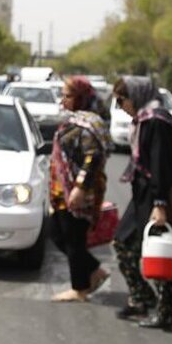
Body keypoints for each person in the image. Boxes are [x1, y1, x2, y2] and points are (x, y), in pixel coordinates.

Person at [113, 75, 172, 330]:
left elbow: (161, 166)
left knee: (158, 250)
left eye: (122, 100)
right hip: (142, 196)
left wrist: (160, 204)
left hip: (157, 198)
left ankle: (168, 311)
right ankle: (141, 297)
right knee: (122, 243)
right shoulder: (143, 119)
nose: (121, 106)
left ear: (136, 96)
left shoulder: (157, 122)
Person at [50, 76, 111, 303]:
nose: (63, 100)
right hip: (62, 192)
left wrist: (79, 188)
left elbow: (93, 157)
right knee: (56, 234)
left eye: (67, 95)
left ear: (80, 98)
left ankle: (80, 288)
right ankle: (94, 271)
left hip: (78, 193)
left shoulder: (89, 123)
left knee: (73, 240)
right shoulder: (76, 119)